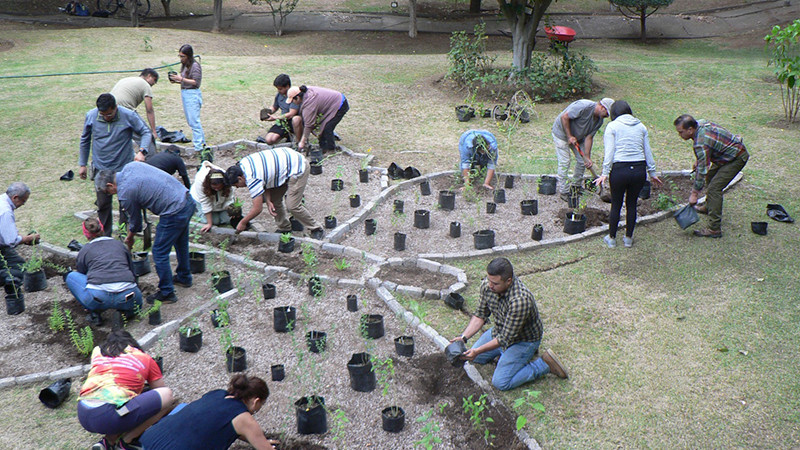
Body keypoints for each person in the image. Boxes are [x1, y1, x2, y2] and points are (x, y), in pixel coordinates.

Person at [451, 257, 568, 391]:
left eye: (495, 283)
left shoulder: (520, 300)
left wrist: (477, 350)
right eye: (489, 280)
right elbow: (480, 315)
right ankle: (504, 357)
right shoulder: (487, 286)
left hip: (523, 341)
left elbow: (505, 339)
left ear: (508, 281)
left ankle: (544, 364)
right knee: (475, 358)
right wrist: (463, 337)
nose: (490, 285)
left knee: (501, 382)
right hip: (500, 331)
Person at [95, 162, 194, 304]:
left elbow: (135, 223)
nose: (109, 194)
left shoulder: (125, 192)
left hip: (174, 211)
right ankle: (184, 277)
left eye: (107, 192)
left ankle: (167, 292)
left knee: (159, 252)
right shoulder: (130, 166)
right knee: (180, 242)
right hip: (186, 200)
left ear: (110, 185)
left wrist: (129, 238)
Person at [77, 330, 174, 450]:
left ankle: (108, 442)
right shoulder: (144, 357)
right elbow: (160, 389)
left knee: (122, 408)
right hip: (108, 415)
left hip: (83, 412)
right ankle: (127, 441)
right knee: (167, 396)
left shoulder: (98, 351)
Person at [140, 374, 279, 450]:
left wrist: (258, 439)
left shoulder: (217, 394)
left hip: (149, 438)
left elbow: (227, 425)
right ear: (256, 401)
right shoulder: (245, 419)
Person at [79, 93, 151, 236]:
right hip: (101, 168)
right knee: (103, 204)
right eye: (103, 114)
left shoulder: (128, 115)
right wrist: (83, 163)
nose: (106, 117)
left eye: (110, 114)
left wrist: (142, 151)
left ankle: (124, 233)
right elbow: (85, 140)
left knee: (125, 204)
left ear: (116, 107)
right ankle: (105, 236)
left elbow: (145, 132)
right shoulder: (91, 116)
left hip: (123, 168)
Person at [594, 100, 662, 248]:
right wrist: (652, 172)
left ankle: (612, 239)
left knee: (616, 204)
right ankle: (628, 239)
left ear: (614, 114)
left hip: (620, 170)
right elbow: (647, 151)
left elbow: (609, 153)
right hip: (638, 171)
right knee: (631, 204)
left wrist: (605, 173)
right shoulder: (641, 126)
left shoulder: (612, 126)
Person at [674, 114, 749, 238]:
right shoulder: (700, 123)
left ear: (690, 130)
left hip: (736, 157)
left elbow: (702, 170)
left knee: (714, 188)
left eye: (681, 132)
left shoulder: (700, 143)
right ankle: (709, 207)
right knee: (711, 177)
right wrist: (700, 160)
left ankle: (714, 229)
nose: (679, 135)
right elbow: (708, 148)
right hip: (725, 155)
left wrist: (694, 193)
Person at [225, 148, 323, 239]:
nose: (238, 187)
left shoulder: (252, 177)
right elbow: (266, 181)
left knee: (292, 206)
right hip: (283, 168)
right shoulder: (242, 165)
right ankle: (284, 228)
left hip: (298, 167)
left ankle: (316, 228)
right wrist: (268, 201)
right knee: (273, 200)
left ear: (240, 178)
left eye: (236, 184)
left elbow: (257, 209)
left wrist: (243, 222)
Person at [65, 218, 143, 326]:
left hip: (98, 297)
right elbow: (132, 270)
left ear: (86, 235)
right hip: (129, 295)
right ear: (102, 229)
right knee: (135, 302)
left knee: (71, 276)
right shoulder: (119, 245)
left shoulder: (85, 250)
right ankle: (126, 313)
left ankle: (94, 314)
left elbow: (82, 274)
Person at [552, 97, 614, 201]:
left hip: (578, 137)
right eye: (607, 114)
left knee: (582, 162)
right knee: (565, 162)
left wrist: (587, 157)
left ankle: (576, 187)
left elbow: (589, 137)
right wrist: (569, 136)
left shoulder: (599, 121)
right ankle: (564, 191)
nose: (606, 117)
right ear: (602, 107)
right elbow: (564, 117)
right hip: (562, 134)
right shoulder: (583, 106)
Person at [286, 85, 348, 153]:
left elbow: (309, 125)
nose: (292, 103)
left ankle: (331, 150)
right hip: (333, 102)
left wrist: (302, 142)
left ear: (297, 97)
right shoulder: (305, 92)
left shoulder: (309, 102)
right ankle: (323, 149)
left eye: (292, 101)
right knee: (322, 128)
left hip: (340, 103)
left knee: (327, 128)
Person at [110, 68, 159, 154]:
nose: (153, 84)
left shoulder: (126, 79)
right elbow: (149, 110)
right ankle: (152, 161)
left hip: (110, 110)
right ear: (149, 76)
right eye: (154, 81)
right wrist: (153, 131)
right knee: (147, 136)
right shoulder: (145, 85)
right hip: (125, 110)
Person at [0, 182, 40, 286]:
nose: (23, 204)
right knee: (21, 271)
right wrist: (28, 238)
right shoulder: (5, 211)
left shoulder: (2, 200)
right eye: (23, 201)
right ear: (15, 197)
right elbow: (11, 241)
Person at [168, 44, 205, 153]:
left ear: (188, 56)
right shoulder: (185, 66)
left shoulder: (195, 66)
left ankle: (199, 146)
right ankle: (201, 142)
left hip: (192, 94)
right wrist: (176, 80)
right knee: (191, 121)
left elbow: (196, 82)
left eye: (183, 56)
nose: (181, 59)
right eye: (179, 56)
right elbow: (185, 80)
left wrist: (181, 79)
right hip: (185, 93)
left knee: (194, 121)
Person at [191, 160, 234, 232]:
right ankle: (198, 211)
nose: (217, 189)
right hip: (199, 200)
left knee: (226, 220)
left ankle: (217, 212)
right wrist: (209, 223)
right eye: (214, 188)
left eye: (219, 188)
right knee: (215, 221)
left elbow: (229, 198)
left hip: (219, 202)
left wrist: (230, 208)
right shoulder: (200, 181)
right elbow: (205, 203)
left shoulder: (227, 180)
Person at [261, 73, 303, 145]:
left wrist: (275, 118)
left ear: (287, 86)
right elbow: (275, 106)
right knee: (269, 140)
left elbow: (291, 114)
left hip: (293, 121)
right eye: (277, 89)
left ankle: (298, 140)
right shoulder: (279, 95)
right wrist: (269, 112)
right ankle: (286, 135)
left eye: (280, 89)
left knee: (296, 119)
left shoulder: (294, 95)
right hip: (283, 120)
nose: (278, 91)